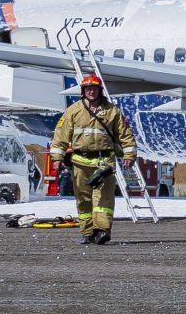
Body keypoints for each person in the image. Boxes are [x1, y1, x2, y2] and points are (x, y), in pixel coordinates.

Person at [48, 74, 138, 244]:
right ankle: (87, 232)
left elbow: (126, 135)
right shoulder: (73, 111)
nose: (91, 91)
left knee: (103, 199)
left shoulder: (112, 111)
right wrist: (57, 158)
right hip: (80, 162)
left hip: (104, 162)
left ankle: (102, 231)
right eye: (88, 89)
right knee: (83, 198)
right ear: (83, 91)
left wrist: (129, 155)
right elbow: (60, 136)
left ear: (99, 91)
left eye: (94, 88)